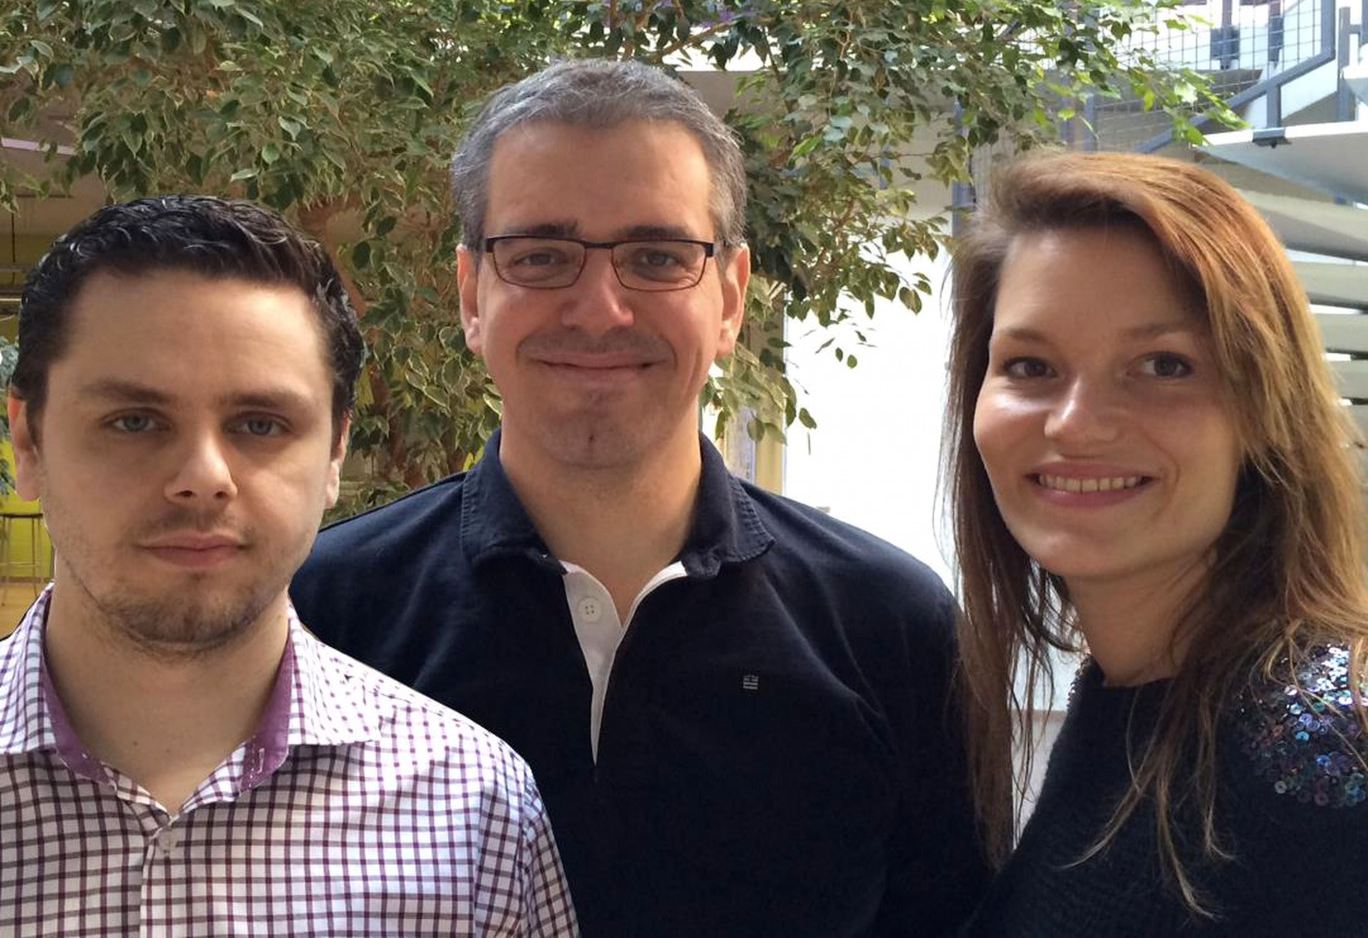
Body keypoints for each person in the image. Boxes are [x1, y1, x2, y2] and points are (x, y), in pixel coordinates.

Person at [291, 58, 987, 936]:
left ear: (730, 298)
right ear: (472, 296)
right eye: (541, 255)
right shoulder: (320, 616)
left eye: (657, 257)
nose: (601, 308)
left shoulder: (889, 625)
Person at [0, 196, 577, 936]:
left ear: (334, 451)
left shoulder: (475, 814)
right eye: (135, 421)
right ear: (29, 442)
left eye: (260, 424)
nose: (203, 475)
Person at [943, 151, 1368, 936]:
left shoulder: (1331, 751)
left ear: (1266, 411)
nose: (1074, 423)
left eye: (1163, 365)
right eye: (1031, 366)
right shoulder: (1120, 695)